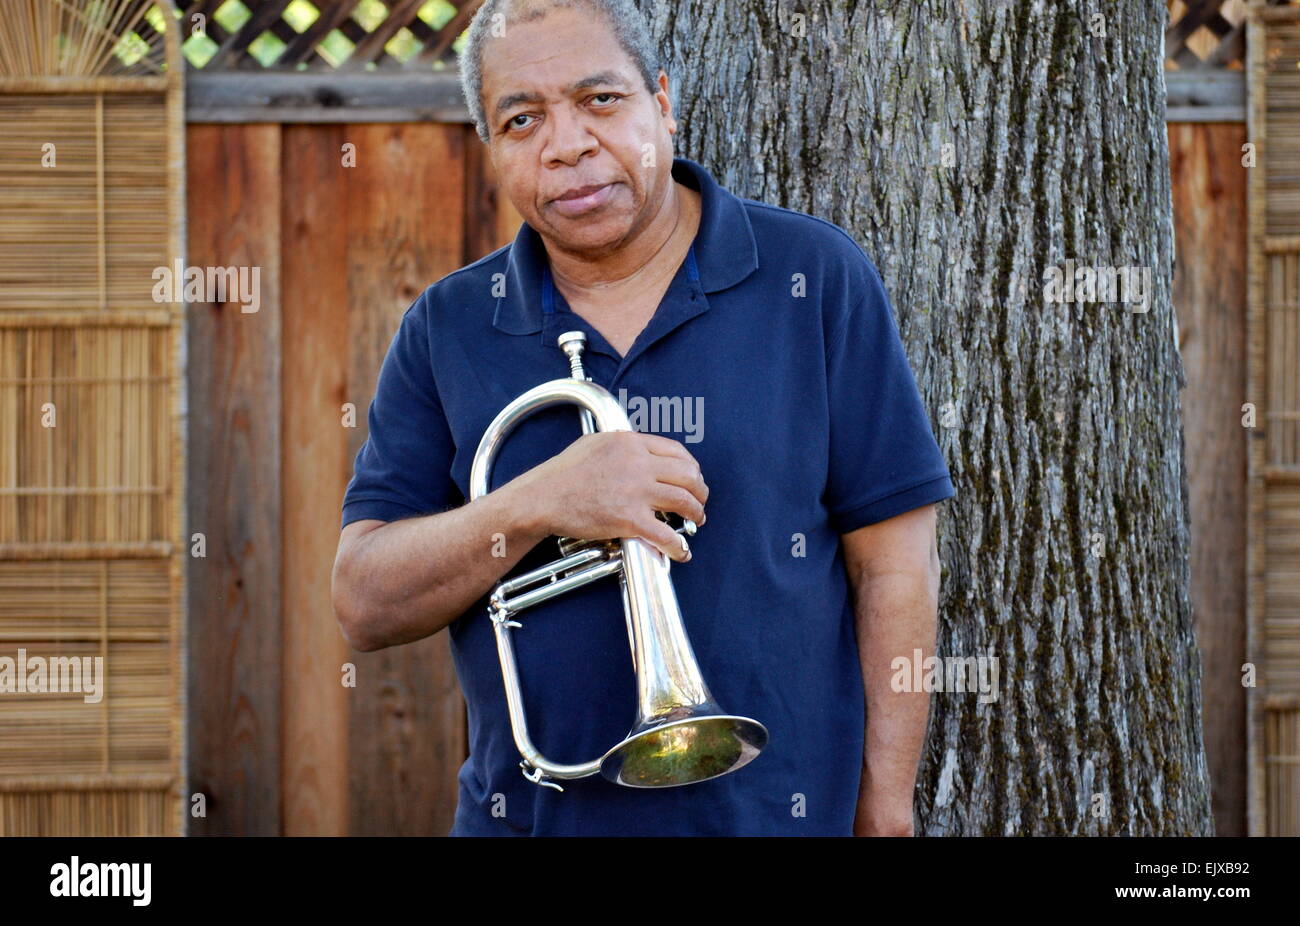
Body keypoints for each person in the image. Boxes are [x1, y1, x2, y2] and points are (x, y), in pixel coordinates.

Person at [332, 0, 954, 836]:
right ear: (495, 150)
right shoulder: (447, 328)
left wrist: (886, 808)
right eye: (523, 119)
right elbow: (364, 601)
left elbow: (896, 568)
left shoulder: (813, 278)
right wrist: (537, 502)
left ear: (661, 101)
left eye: (600, 100)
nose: (568, 144)